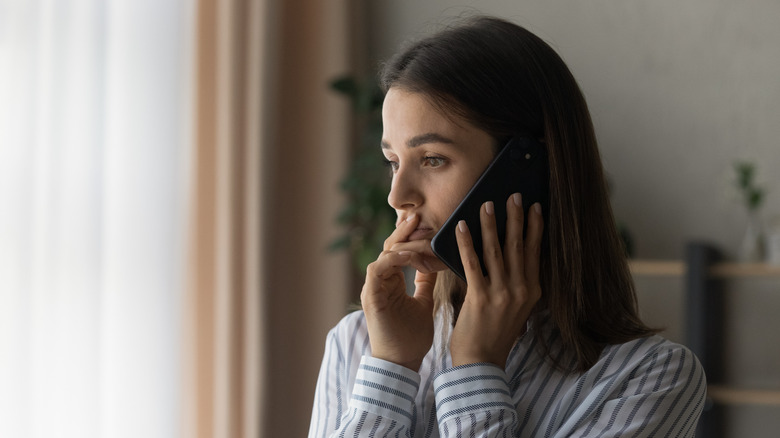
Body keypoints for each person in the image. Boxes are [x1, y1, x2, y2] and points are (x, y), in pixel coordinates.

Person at [309, 16, 706, 437]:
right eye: (394, 162)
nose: (397, 195)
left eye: (432, 159)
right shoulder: (358, 345)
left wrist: (476, 368)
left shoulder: (649, 378)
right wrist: (392, 369)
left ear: (528, 169)